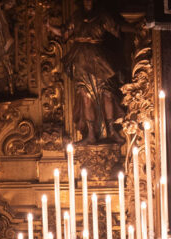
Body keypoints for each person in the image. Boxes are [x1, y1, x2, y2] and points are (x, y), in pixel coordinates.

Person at [48, 0, 127, 144]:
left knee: (107, 94)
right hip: (81, 60)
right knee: (85, 96)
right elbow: (64, 32)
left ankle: (111, 130)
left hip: (99, 59)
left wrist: (135, 28)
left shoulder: (102, 16)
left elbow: (117, 28)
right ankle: (90, 133)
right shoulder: (77, 16)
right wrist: (49, 26)